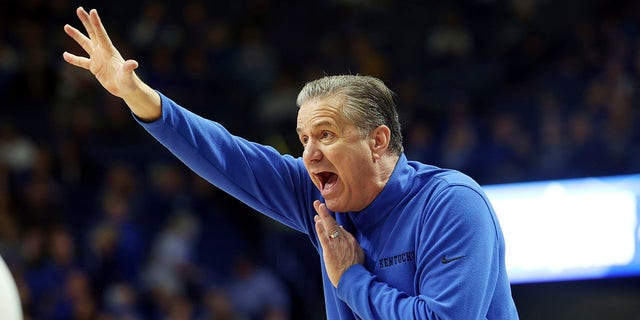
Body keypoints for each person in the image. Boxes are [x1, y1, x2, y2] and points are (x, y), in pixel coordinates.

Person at [62, 7, 519, 319]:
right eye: (303, 138)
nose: (309, 154)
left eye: (326, 135)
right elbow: (223, 153)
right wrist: (136, 95)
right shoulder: (316, 196)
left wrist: (351, 279)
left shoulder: (452, 204)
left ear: (378, 140)